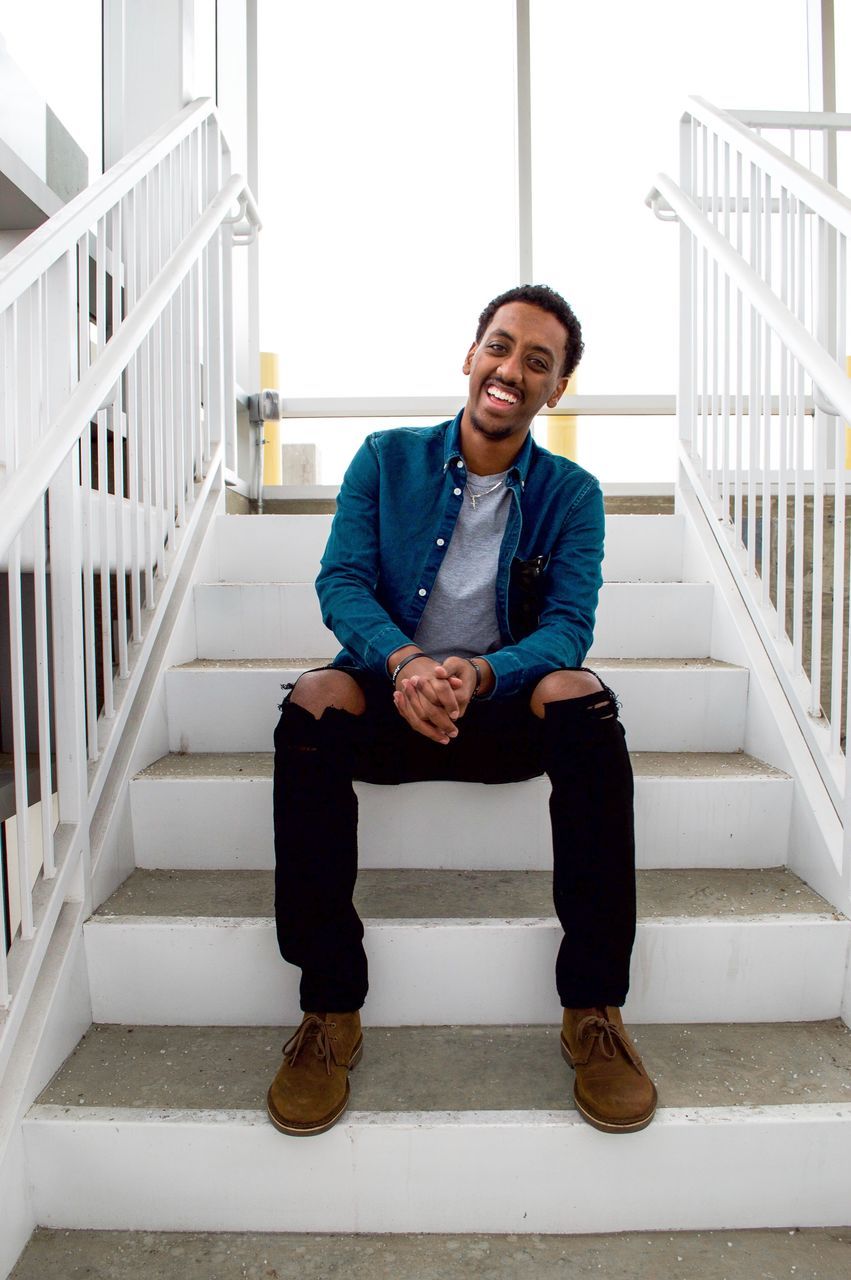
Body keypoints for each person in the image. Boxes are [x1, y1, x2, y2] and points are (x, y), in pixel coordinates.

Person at [267, 284, 657, 1138]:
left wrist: (477, 675)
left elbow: (566, 628)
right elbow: (341, 583)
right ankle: (329, 1009)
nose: (510, 370)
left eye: (537, 362)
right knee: (312, 701)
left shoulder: (571, 494)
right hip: (389, 697)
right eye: (500, 346)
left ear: (555, 390)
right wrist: (406, 665)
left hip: (500, 713)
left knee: (581, 697)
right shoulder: (385, 458)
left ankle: (592, 1006)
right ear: (471, 353)